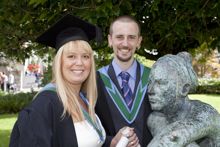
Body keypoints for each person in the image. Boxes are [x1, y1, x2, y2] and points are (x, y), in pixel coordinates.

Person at [10, 14, 107, 147]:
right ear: (59, 62)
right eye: (71, 56)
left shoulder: (83, 99)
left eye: (85, 56)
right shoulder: (44, 106)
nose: (80, 63)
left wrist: (112, 141)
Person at [95, 15, 153, 147]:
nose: (125, 43)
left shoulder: (153, 78)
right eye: (119, 37)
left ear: (139, 41)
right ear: (110, 40)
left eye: (131, 37)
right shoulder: (94, 81)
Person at [147, 52, 220, 147]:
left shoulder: (206, 115)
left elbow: (171, 139)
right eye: (150, 82)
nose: (150, 90)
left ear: (184, 89)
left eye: (161, 83)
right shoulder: (155, 119)